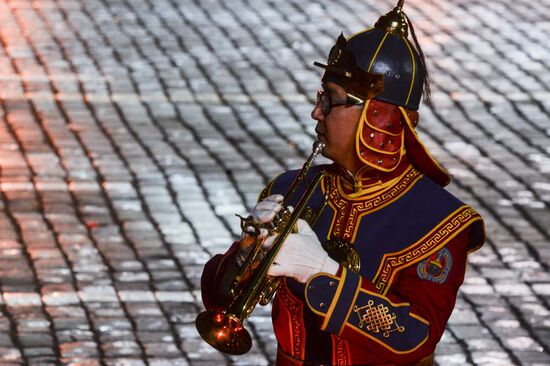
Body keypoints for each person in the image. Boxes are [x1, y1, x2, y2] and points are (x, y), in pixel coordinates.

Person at [199, 1, 485, 365]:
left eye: (331, 101)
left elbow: (414, 336)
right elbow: (220, 299)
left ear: (376, 117)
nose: (316, 112)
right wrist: (245, 256)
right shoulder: (292, 188)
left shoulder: (440, 221)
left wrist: (323, 273)